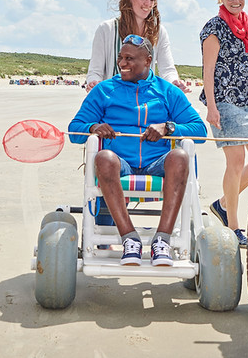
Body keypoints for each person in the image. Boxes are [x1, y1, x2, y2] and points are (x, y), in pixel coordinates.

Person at [68, 36, 209, 265]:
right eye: (120, 58)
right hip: (120, 162)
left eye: (129, 59)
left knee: (180, 157)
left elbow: (200, 130)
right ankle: (129, 238)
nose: (122, 63)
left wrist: (169, 127)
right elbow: (75, 130)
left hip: (157, 162)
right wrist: (93, 127)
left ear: (148, 61)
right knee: (104, 157)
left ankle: (161, 240)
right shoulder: (105, 90)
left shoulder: (167, 92)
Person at [199, 0, 248, 245]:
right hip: (225, 102)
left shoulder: (247, 26)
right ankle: (233, 226)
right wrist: (212, 108)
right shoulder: (214, 28)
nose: (236, 1)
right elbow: (208, 70)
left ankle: (223, 203)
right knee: (236, 163)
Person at [85, 0, 185, 90]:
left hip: (144, 101)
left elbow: (167, 69)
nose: (148, 3)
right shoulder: (107, 29)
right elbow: (95, 71)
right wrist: (93, 82)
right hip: (113, 101)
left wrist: (174, 82)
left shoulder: (159, 32)